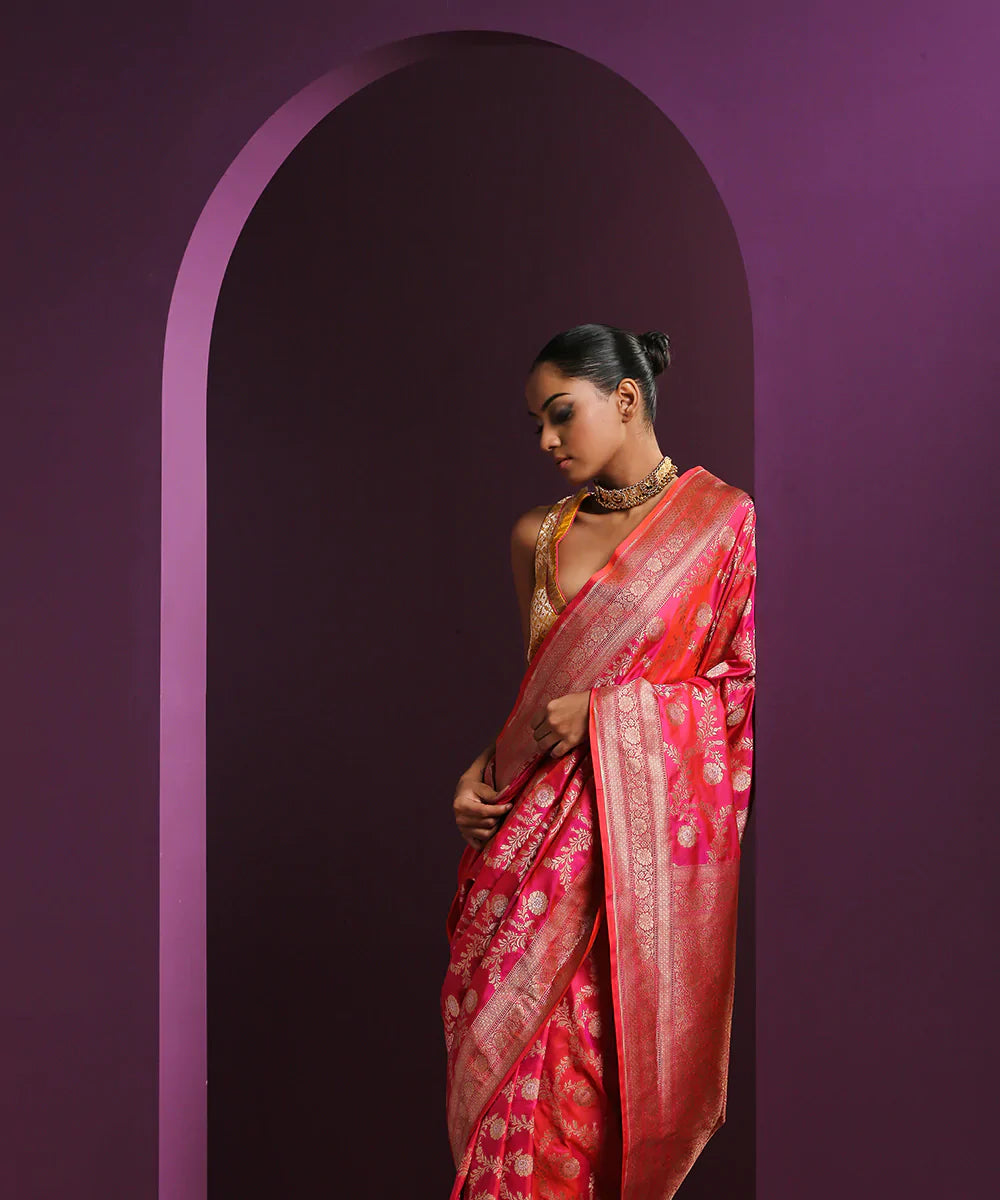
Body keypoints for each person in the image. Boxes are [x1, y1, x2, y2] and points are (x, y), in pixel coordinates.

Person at [443, 323, 756, 1199]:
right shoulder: (536, 537)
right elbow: (537, 701)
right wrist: (478, 772)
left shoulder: (721, 525)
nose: (547, 440)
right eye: (537, 424)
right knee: (502, 1094)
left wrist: (610, 714)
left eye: (561, 414)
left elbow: (741, 690)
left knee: (580, 1097)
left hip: (621, 885)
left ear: (625, 399)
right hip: (519, 861)